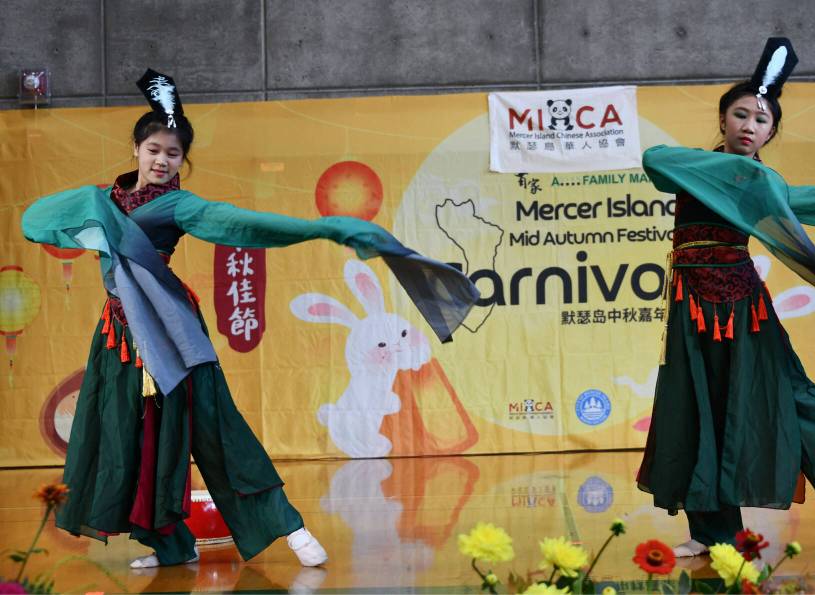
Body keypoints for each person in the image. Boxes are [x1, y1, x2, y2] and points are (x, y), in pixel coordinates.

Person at [21, 69, 479, 569]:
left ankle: (289, 526)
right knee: (134, 439)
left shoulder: (180, 205)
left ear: (183, 162)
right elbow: (36, 221)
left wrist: (316, 229)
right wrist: (93, 208)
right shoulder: (104, 199)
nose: (162, 160)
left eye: (173, 154)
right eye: (154, 149)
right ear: (136, 147)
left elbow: (241, 223)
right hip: (120, 338)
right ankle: (170, 543)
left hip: (172, 334)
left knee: (218, 433)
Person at [638, 38, 815, 557]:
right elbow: (653, 159)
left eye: (762, 120)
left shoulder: (765, 182)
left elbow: (799, 241)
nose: (749, 125)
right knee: (700, 408)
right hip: (690, 308)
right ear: (722, 119)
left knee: (797, 405)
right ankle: (712, 531)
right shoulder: (694, 167)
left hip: (743, 311)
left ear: (772, 132)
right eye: (740, 114)